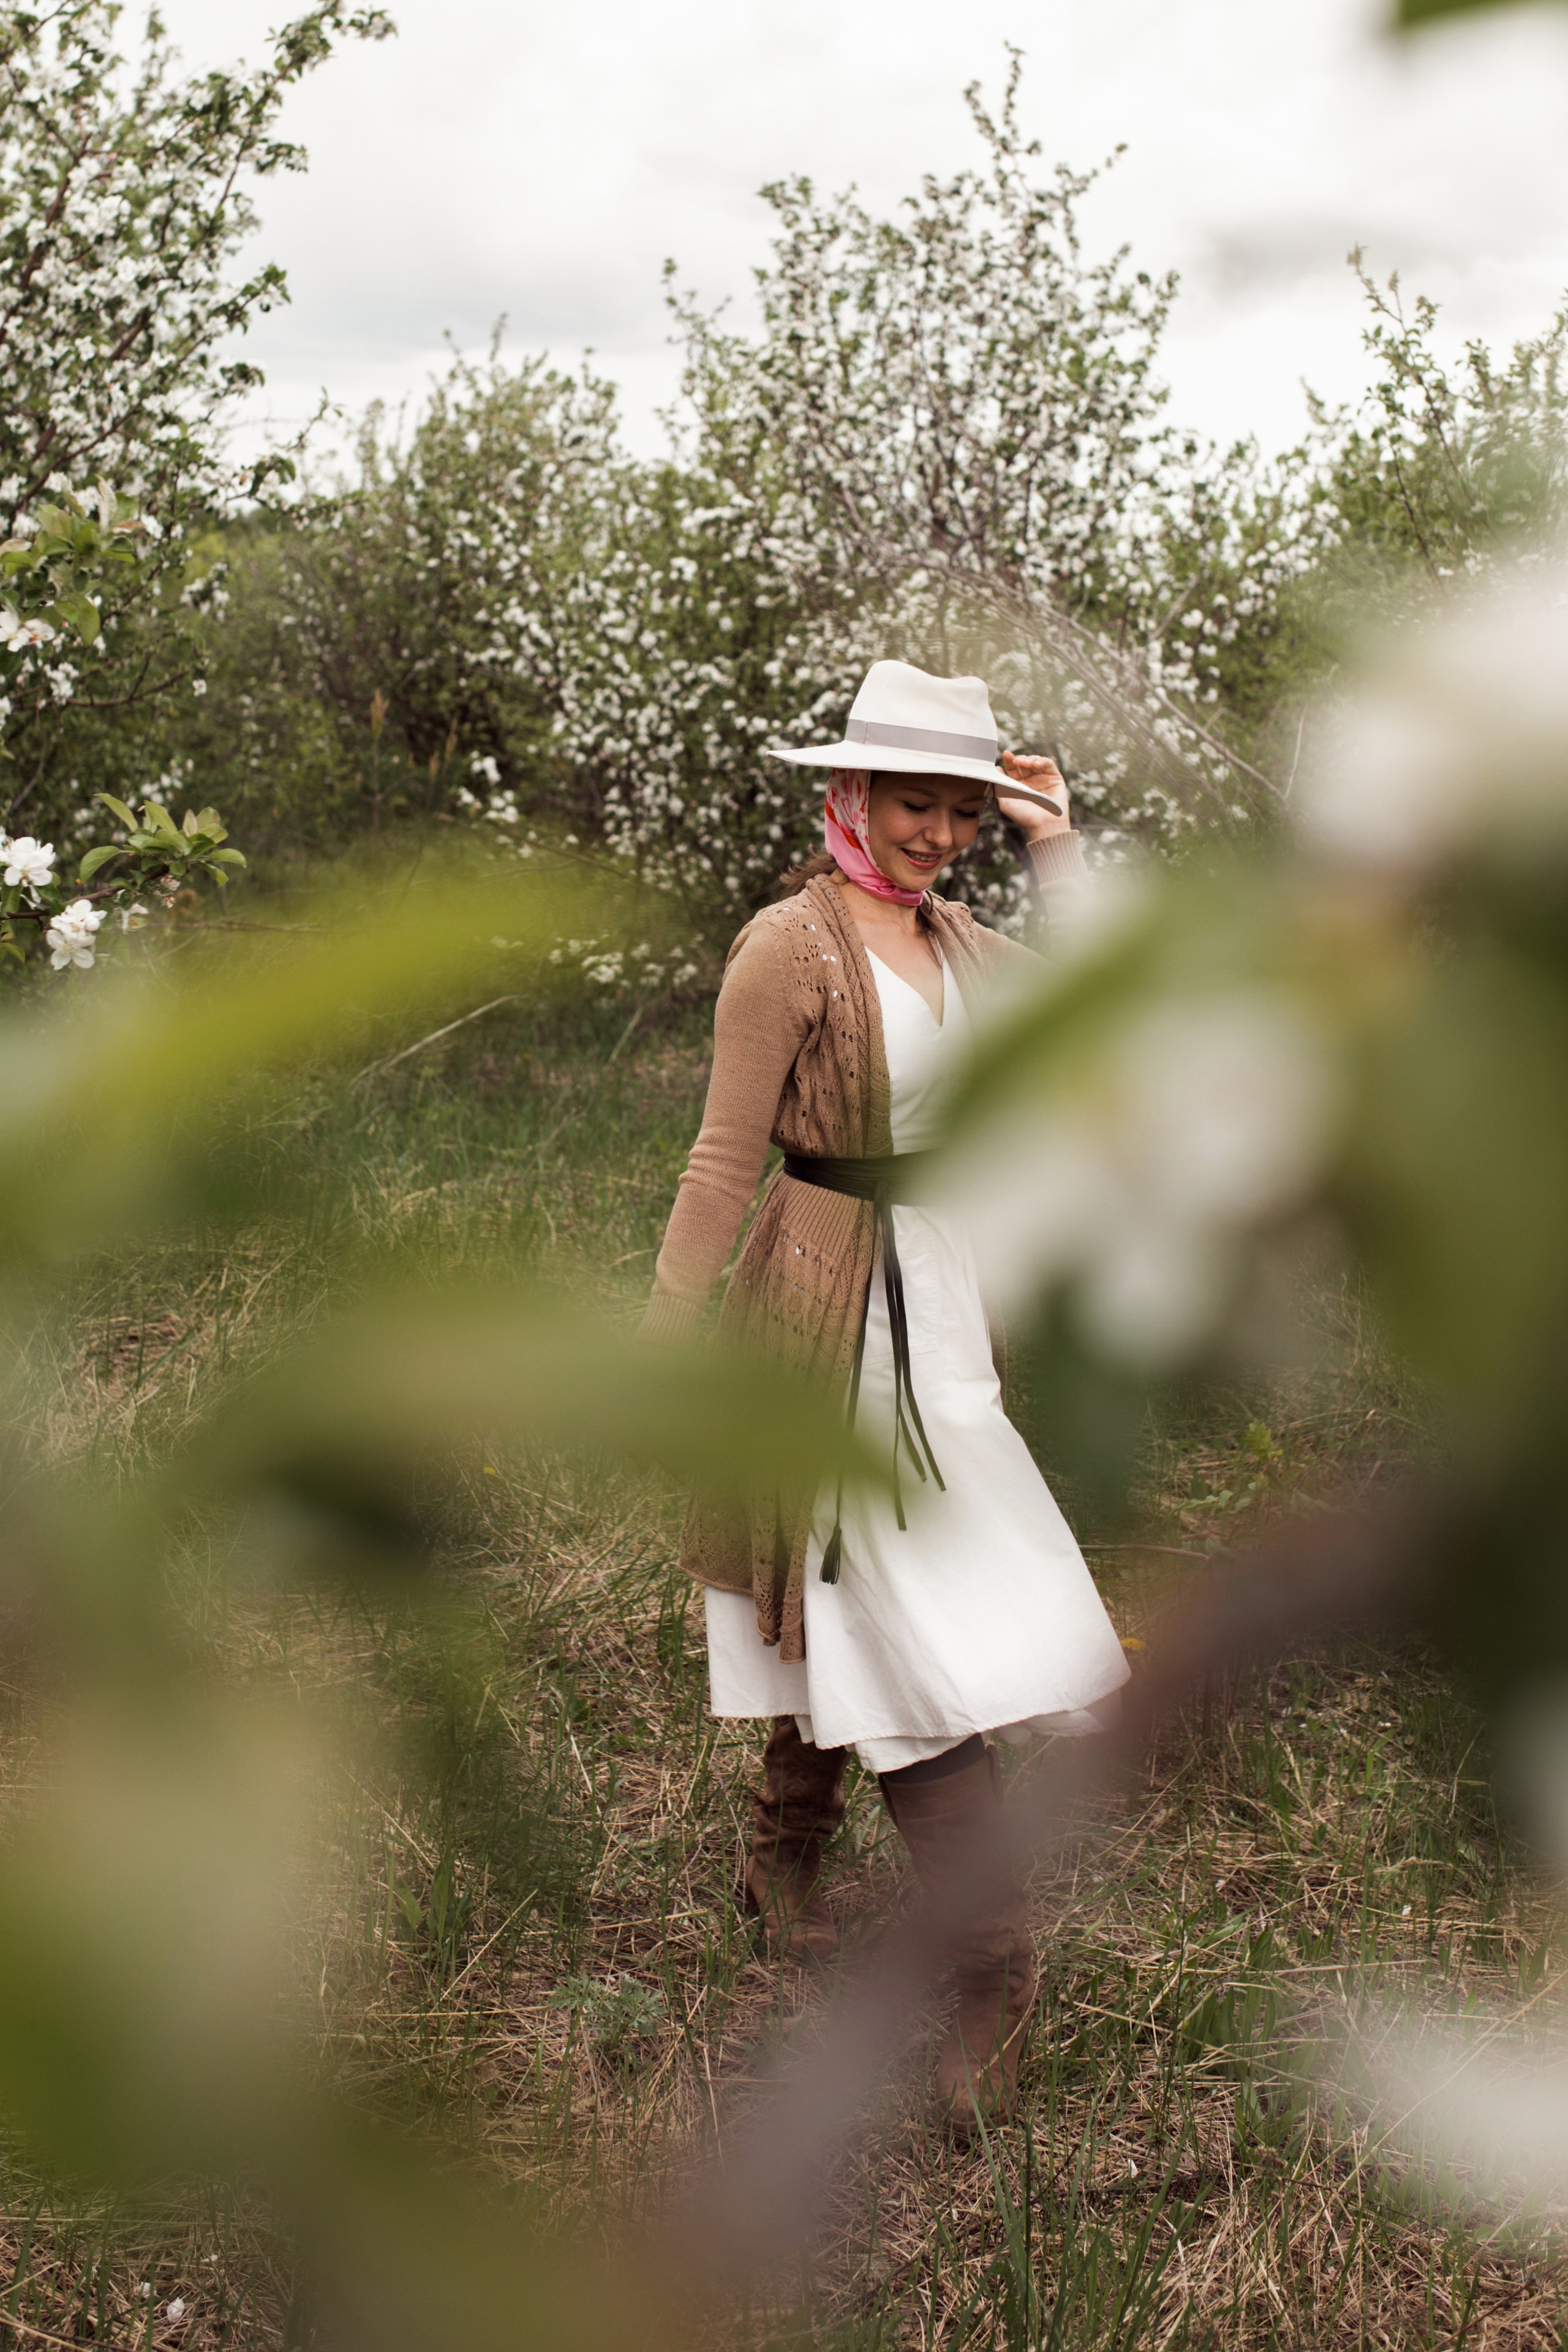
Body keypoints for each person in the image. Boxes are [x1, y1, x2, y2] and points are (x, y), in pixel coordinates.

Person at [640, 660, 1129, 2130]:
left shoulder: (961, 941)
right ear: (848, 792)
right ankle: (995, 1968)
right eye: (914, 804)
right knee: (894, 1611)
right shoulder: (785, 948)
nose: (937, 836)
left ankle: (777, 1852)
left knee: (852, 1593)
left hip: (944, 1315)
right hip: (818, 1307)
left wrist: (1054, 846)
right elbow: (721, 1157)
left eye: (962, 812)